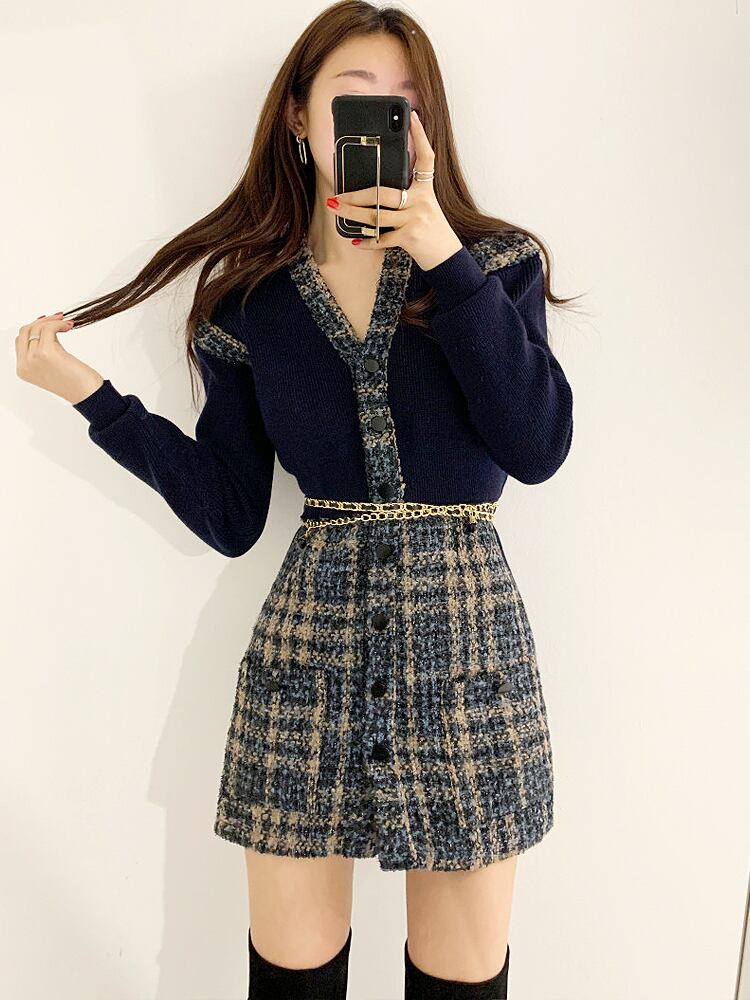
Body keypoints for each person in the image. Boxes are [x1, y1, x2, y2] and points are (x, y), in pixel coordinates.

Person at [15, 3, 578, 997]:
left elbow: (537, 447)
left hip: (468, 667)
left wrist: (441, 251)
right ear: (299, 118)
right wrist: (93, 399)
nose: (386, 121)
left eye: (407, 103)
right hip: (303, 672)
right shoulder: (251, 300)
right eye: (357, 100)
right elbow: (233, 513)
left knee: (462, 981)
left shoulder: (495, 266)